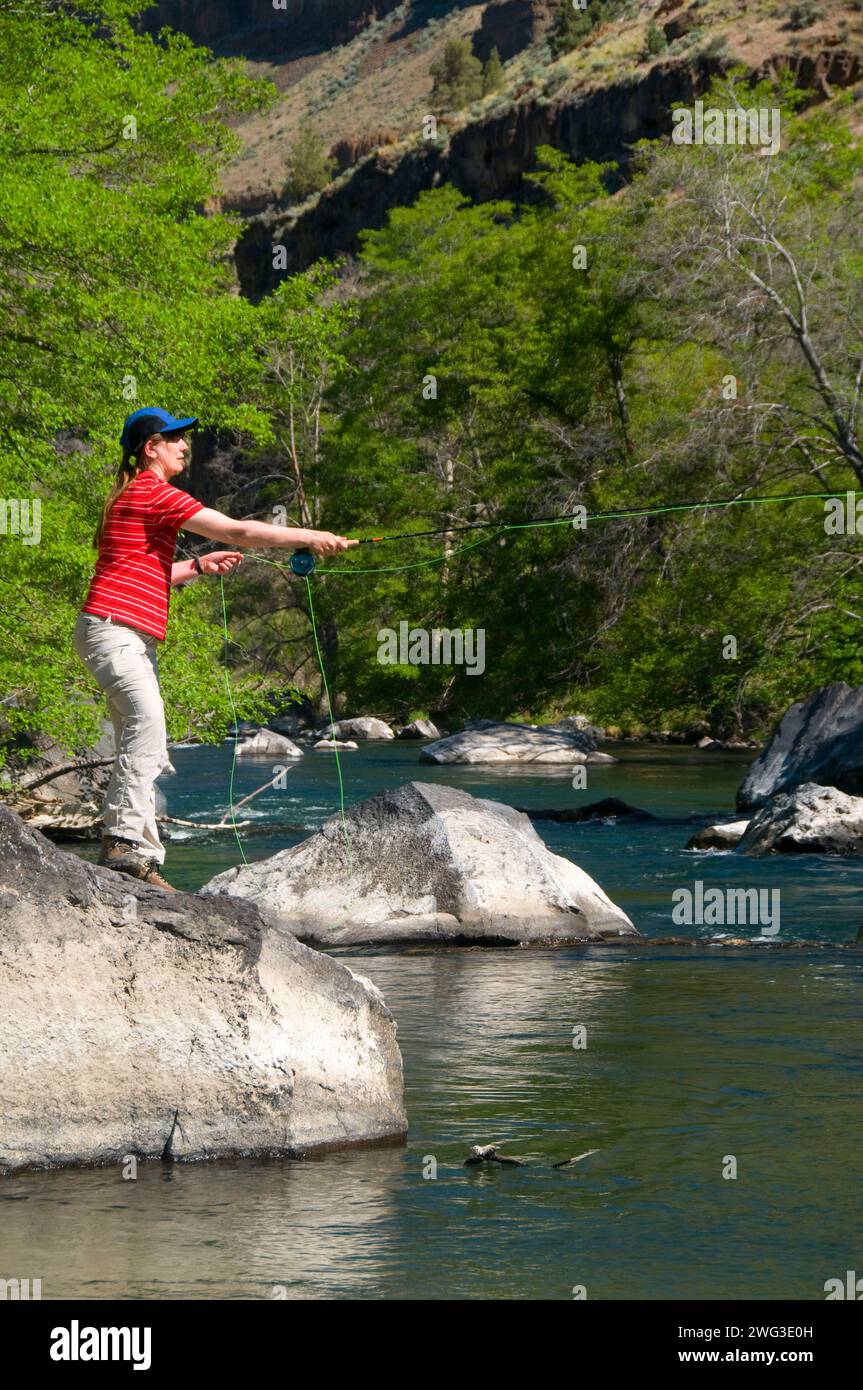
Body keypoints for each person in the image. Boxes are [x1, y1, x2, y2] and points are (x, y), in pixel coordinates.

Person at [74, 407, 357, 892]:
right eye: (177, 439)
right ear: (151, 448)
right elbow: (238, 530)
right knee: (148, 726)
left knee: (139, 737)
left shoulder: (134, 496)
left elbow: (143, 575)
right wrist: (309, 535)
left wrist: (198, 568)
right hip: (115, 631)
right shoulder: (151, 490)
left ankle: (134, 856)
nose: (186, 446)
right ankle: (121, 842)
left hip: (119, 632)